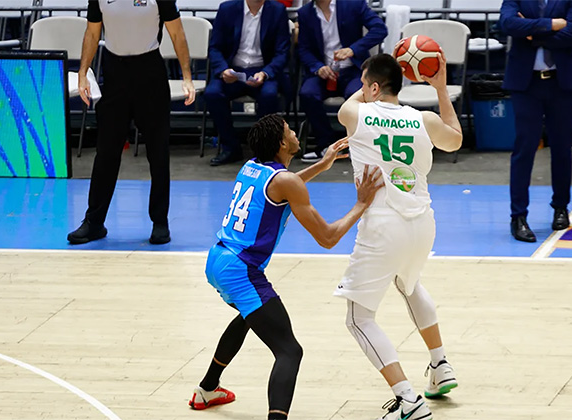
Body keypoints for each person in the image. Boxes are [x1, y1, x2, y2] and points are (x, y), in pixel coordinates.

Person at [189, 114, 382, 420]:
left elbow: (283, 186)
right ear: (282, 143)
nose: (294, 133)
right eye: (289, 131)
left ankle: (207, 388)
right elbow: (328, 237)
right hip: (241, 270)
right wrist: (361, 204)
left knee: (249, 316)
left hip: (218, 259)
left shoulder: (251, 166)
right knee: (290, 350)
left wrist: (322, 164)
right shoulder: (285, 181)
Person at [335, 53, 462, 420]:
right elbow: (454, 141)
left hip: (382, 224)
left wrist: (368, 88)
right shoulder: (423, 119)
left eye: (364, 83)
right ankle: (440, 365)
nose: (360, 89)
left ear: (374, 87)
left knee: (358, 318)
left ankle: (408, 399)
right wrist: (439, 88)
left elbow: (352, 102)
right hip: (423, 222)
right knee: (410, 284)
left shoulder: (355, 114)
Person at [67, 0, 196, 245]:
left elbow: (177, 32)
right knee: (106, 151)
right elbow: (92, 32)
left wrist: (187, 77)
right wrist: (83, 72)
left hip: (149, 72)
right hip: (115, 72)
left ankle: (160, 222)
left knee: (158, 152)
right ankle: (94, 221)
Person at [499, 0, 572, 242]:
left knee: (561, 147)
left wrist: (532, 33)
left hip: (561, 82)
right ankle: (518, 216)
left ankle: (560, 207)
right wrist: (552, 25)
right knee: (524, 148)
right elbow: (507, 23)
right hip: (526, 85)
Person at [297, 0, 387, 163]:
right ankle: (326, 145)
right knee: (307, 94)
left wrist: (353, 49)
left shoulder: (353, 4)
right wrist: (318, 67)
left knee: (357, 95)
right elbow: (303, 49)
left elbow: (380, 29)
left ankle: (358, 145)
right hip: (323, 72)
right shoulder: (305, 13)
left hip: (352, 70)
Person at [205, 0, 291, 166]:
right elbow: (215, 48)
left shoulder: (277, 10)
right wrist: (223, 70)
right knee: (213, 94)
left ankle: (263, 151)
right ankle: (230, 148)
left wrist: (266, 73)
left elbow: (282, 52)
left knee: (269, 95)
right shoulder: (227, 9)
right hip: (233, 70)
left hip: (262, 69)